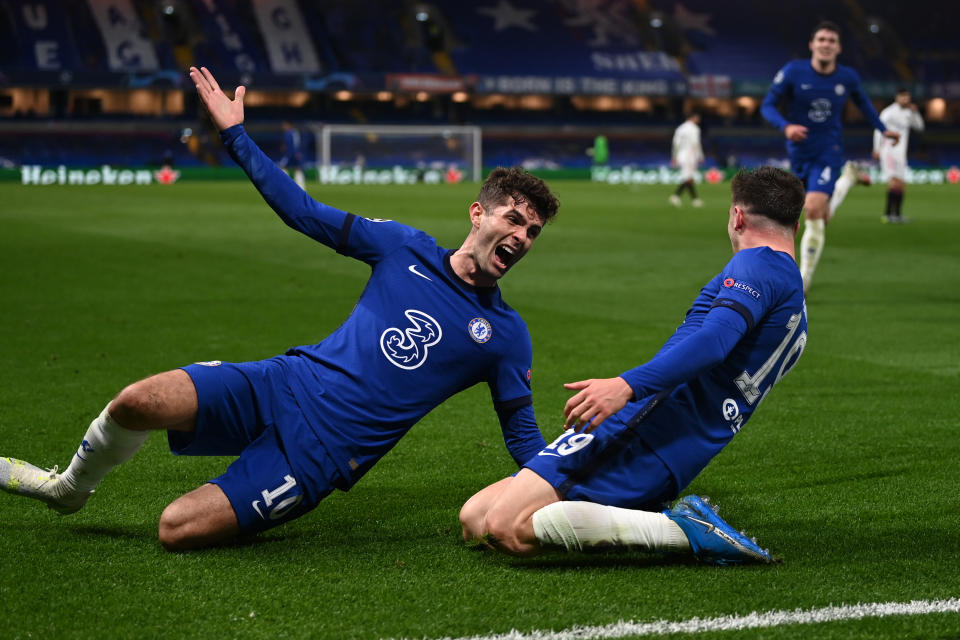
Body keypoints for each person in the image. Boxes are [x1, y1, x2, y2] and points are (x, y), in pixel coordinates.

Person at [0, 66, 560, 551]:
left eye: (532, 231)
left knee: (176, 528)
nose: (523, 236)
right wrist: (237, 135)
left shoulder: (506, 336)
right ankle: (67, 490)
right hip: (285, 379)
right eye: (513, 219)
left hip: (321, 454)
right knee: (136, 401)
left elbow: (521, 436)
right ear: (477, 215)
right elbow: (303, 211)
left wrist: (570, 479)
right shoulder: (402, 246)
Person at [460, 166, 807, 565]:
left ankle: (683, 532)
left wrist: (626, 386)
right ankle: (648, 517)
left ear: (737, 216)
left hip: (648, 425)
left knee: (505, 526)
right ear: (795, 225)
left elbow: (713, 343)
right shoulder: (793, 293)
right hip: (677, 442)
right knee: (475, 517)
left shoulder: (758, 265)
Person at [761, 20, 899, 293]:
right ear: (812, 44)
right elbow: (767, 106)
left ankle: (803, 279)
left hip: (829, 150)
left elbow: (864, 105)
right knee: (818, 216)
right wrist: (785, 126)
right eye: (821, 39)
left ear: (839, 48)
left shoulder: (847, 77)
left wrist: (884, 130)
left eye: (831, 41)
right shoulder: (793, 72)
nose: (826, 44)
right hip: (799, 153)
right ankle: (847, 180)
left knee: (812, 208)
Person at [873, 88, 924, 224]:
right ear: (897, 97)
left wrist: (915, 112)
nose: (905, 100)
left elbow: (919, 127)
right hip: (889, 150)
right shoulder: (888, 112)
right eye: (903, 97)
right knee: (894, 182)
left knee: (902, 183)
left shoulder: (909, 112)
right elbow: (878, 130)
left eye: (907, 97)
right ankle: (888, 214)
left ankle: (897, 215)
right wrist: (876, 148)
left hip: (901, 153)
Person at [669, 112, 704, 208]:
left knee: (689, 178)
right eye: (697, 118)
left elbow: (675, 143)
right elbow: (695, 143)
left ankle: (694, 199)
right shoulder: (694, 129)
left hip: (681, 155)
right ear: (693, 118)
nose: (698, 120)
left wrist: (674, 156)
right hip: (690, 155)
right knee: (688, 178)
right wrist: (700, 156)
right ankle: (677, 196)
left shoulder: (680, 128)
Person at [279, 120, 307, 190]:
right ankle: (301, 186)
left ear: (289, 125)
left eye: (284, 125)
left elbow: (293, 144)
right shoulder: (292, 133)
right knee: (296, 168)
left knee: (283, 167)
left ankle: (285, 185)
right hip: (293, 153)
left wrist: (296, 152)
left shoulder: (290, 133)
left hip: (291, 153)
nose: (283, 127)